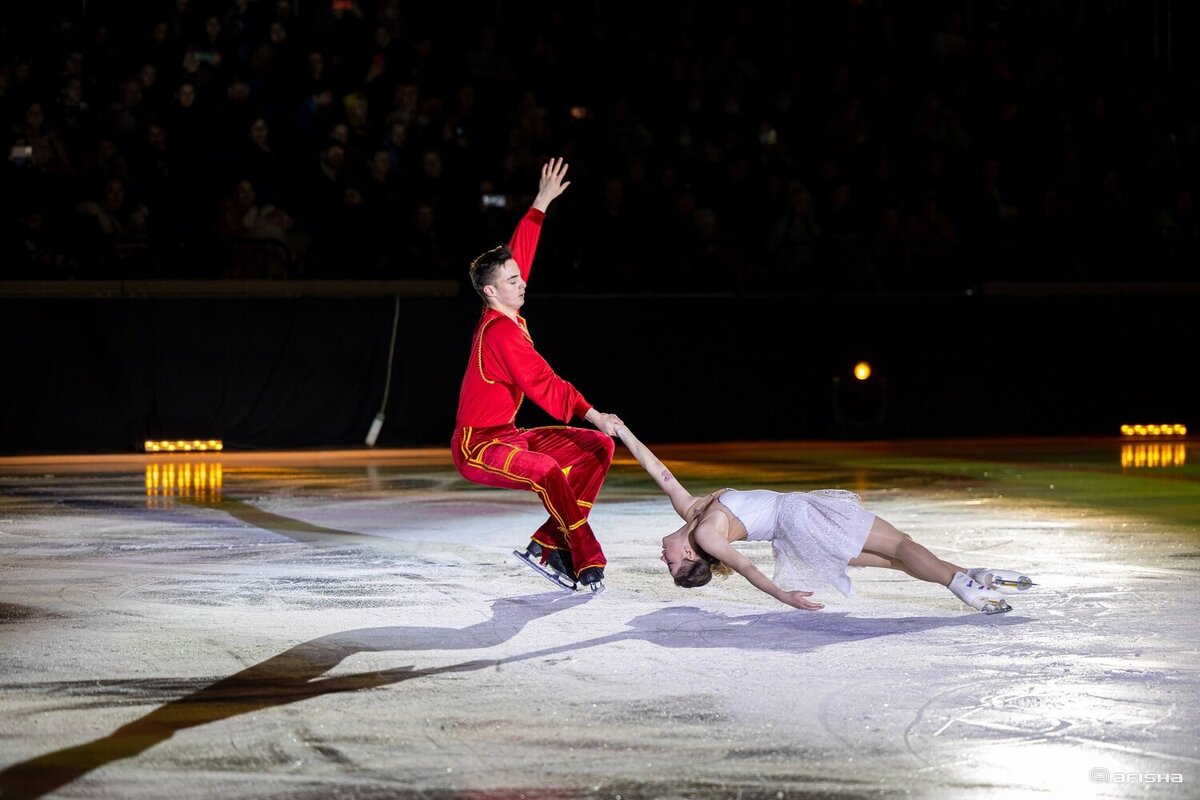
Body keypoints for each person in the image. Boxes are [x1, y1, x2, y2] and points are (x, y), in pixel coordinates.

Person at [615, 425, 1034, 613]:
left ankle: (974, 575)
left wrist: (624, 433)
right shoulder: (706, 534)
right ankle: (966, 587)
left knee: (897, 558)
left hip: (796, 532)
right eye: (671, 563)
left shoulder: (692, 513)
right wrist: (784, 597)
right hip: (799, 518)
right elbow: (745, 568)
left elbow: (662, 474)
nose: (662, 557)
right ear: (691, 553)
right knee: (901, 545)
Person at [451, 158, 622, 594]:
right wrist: (593, 412)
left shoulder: (503, 305)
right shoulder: (501, 333)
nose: (521, 282)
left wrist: (540, 203)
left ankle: (547, 543)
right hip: (479, 446)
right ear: (491, 291)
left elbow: (516, 257)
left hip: (509, 434)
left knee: (597, 449)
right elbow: (542, 383)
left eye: (519, 277)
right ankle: (583, 553)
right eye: (512, 281)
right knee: (548, 469)